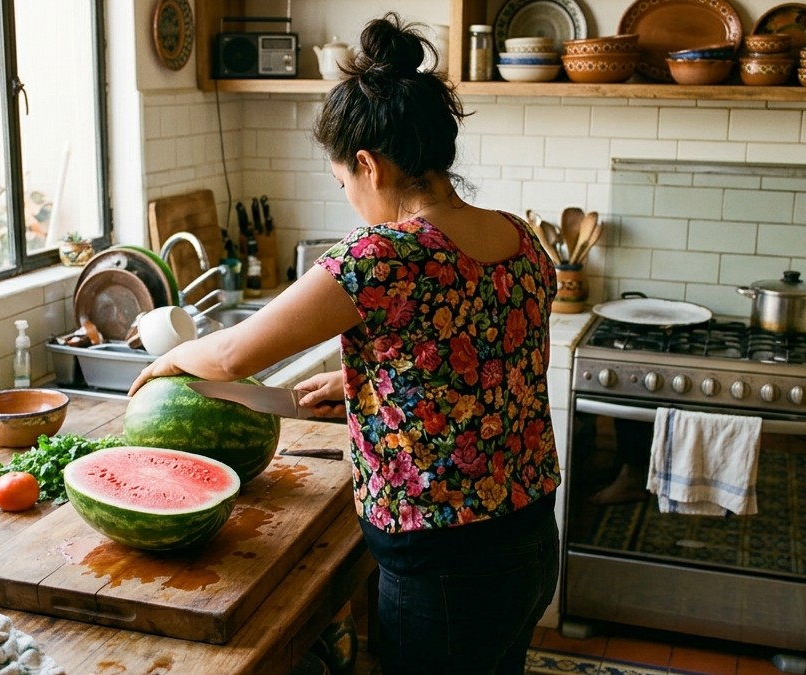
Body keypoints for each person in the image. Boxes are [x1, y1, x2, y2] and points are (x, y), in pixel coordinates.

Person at [129, 13, 560, 674]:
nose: (351, 201)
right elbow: (486, 361)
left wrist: (167, 358)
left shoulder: (381, 255)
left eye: (344, 184)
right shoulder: (519, 236)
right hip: (529, 536)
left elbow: (232, 356)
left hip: (444, 564)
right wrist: (372, 388)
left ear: (368, 165)